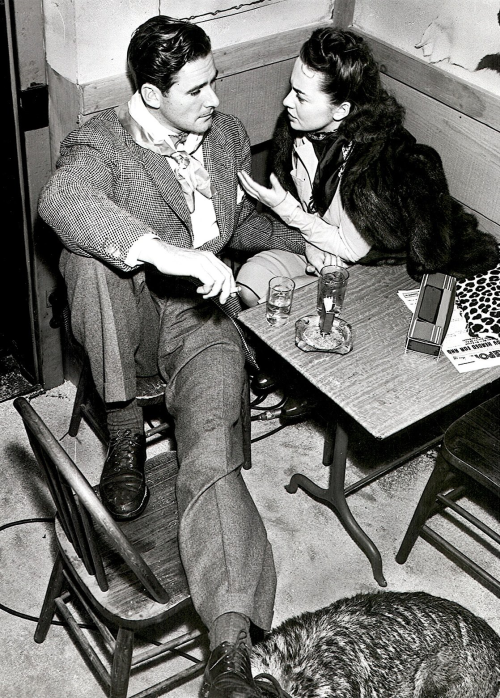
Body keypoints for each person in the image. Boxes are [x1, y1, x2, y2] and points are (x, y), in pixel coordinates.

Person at [38, 15, 305, 698]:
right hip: (127, 312)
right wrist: (166, 253)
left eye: (213, 79)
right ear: (151, 94)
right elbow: (61, 199)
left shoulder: (224, 135)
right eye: (196, 90)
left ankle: (230, 655)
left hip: (199, 317)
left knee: (214, 455)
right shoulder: (101, 139)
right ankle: (124, 426)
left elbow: (230, 223)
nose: (215, 99)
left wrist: (306, 235)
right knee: (87, 264)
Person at [236, 27, 499, 307]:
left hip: (362, 261)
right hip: (313, 241)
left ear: (341, 111)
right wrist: (308, 244)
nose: (287, 102)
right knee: (249, 283)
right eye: (291, 89)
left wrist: (285, 209)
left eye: (300, 97)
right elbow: (308, 210)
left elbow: (349, 247)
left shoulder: (373, 165)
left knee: (283, 305)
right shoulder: (293, 130)